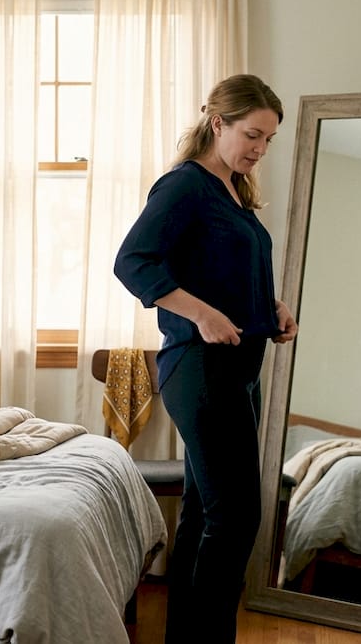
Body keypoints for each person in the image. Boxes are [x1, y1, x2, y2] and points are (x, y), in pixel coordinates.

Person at [113, 73, 299, 643]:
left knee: (201, 516)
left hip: (238, 370)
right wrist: (199, 313)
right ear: (217, 123)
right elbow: (133, 262)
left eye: (268, 140)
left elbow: (222, 269)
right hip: (200, 368)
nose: (259, 149)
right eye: (251, 135)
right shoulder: (185, 187)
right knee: (237, 518)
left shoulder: (232, 192)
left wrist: (271, 307)